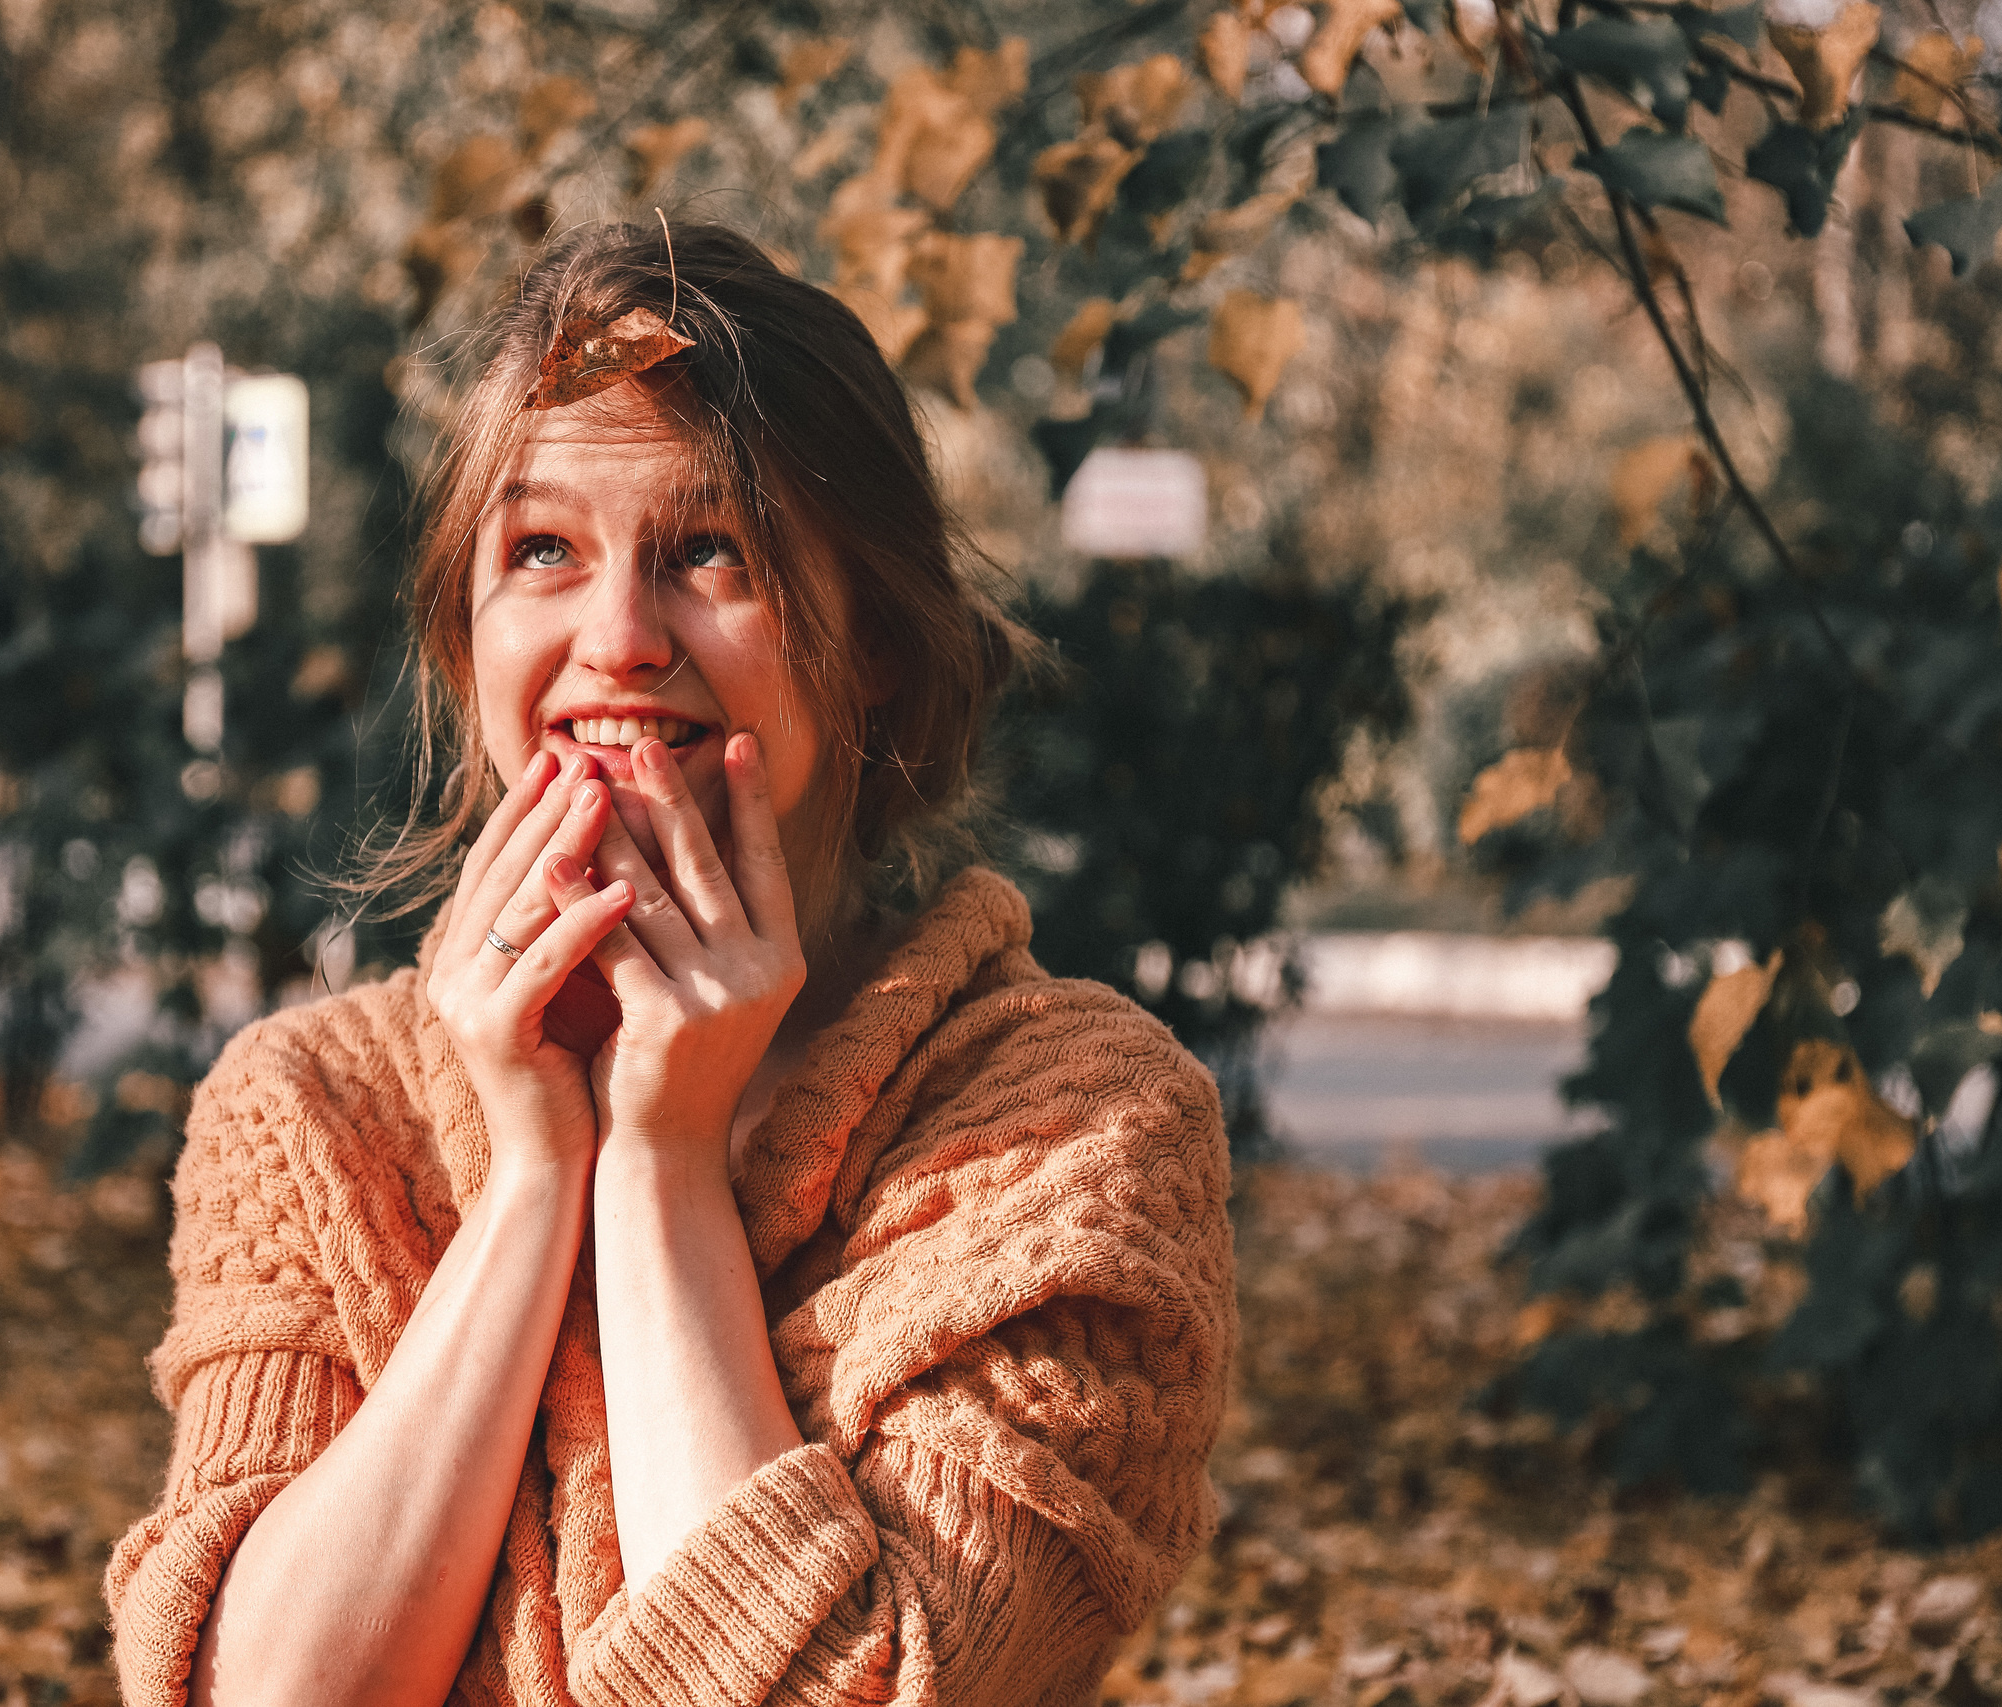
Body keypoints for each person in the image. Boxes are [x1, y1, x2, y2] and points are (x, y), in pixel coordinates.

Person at [105, 221, 1234, 1707]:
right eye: (543, 551)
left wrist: (660, 1160)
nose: (620, 637)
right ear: (467, 638)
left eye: (713, 550)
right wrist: (526, 1179)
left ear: (874, 640)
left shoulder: (1071, 1129)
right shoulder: (313, 1111)